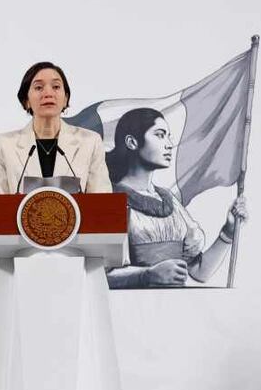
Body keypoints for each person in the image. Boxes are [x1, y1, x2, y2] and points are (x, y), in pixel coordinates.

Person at [105, 108, 248, 288]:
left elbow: (199, 272)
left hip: (175, 308)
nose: (169, 144)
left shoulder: (169, 199)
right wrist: (147, 275)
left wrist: (228, 231)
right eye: (160, 135)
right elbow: (101, 276)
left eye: (169, 136)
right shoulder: (107, 199)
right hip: (133, 310)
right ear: (132, 142)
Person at [0, 61, 111, 194]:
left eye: (56, 86)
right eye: (39, 87)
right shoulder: (3, 145)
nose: (48, 93)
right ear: (26, 100)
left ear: (65, 99)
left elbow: (103, 203)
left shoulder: (90, 142)